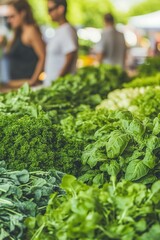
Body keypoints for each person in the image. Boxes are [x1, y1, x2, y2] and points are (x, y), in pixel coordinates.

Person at [5, 0, 45, 88]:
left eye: (12, 16)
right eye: (8, 17)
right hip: (15, 84)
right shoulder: (17, 33)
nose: (9, 20)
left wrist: (33, 81)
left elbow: (43, 56)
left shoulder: (31, 31)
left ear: (22, 14)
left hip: (28, 86)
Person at [44, 0, 78, 86]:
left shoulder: (66, 30)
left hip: (59, 86)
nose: (48, 13)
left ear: (61, 9)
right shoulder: (60, 29)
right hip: (53, 85)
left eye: (50, 9)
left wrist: (58, 81)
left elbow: (70, 56)